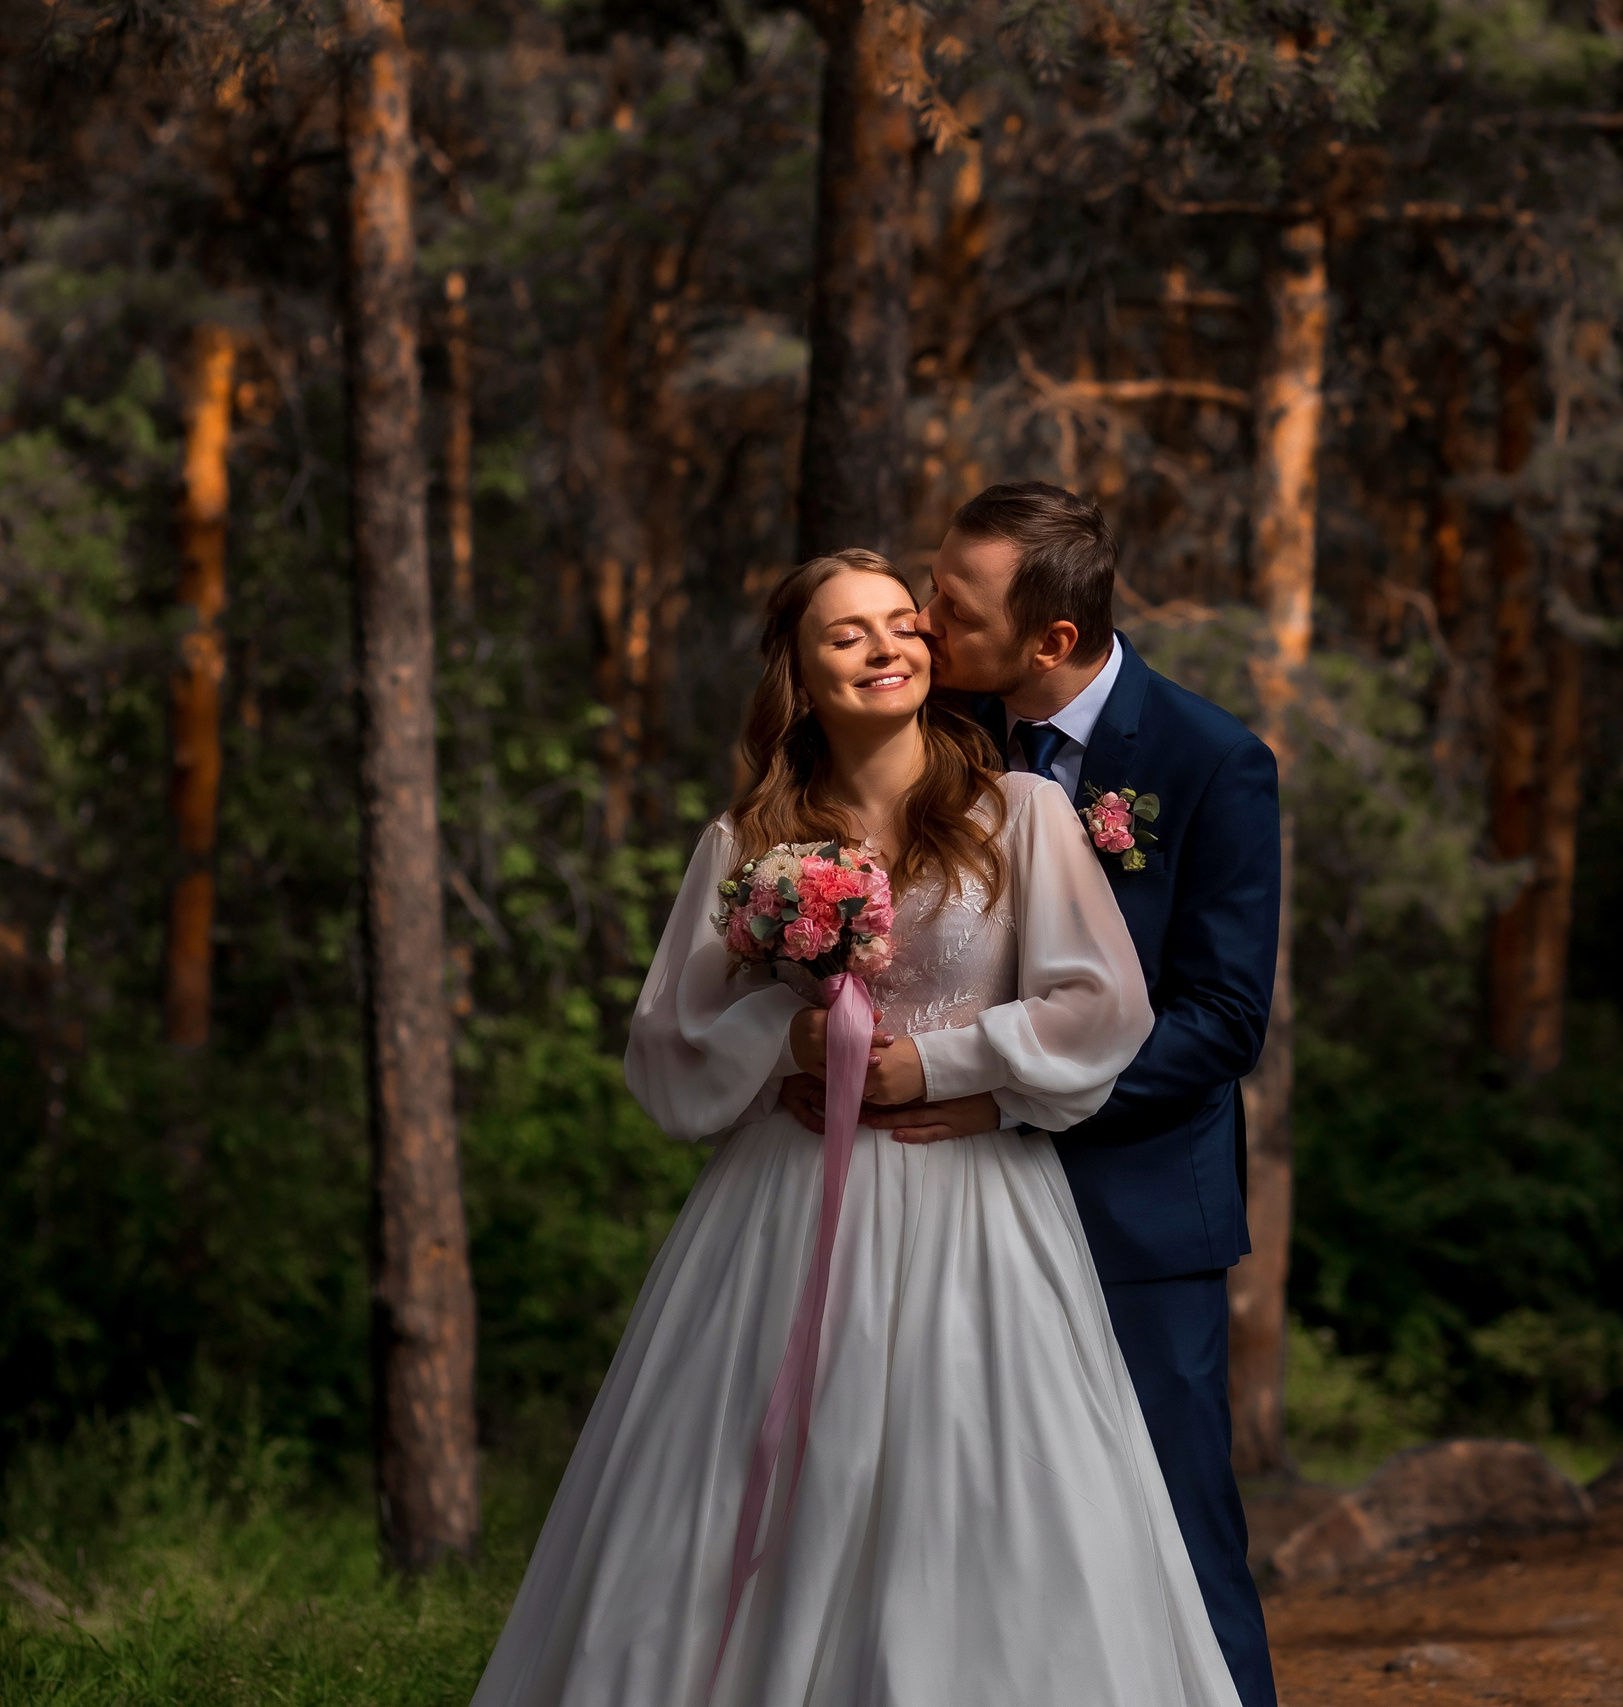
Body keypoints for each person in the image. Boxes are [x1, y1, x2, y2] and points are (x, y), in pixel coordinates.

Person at [470, 549, 1242, 1707]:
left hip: (971, 1196)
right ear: (798, 672)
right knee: (752, 1481)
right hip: (783, 1204)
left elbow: (1103, 1007)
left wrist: (937, 1061)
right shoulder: (747, 843)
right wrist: (782, 1045)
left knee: (980, 1489)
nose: (888, 647)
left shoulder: (1017, 813)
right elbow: (665, 1040)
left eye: (903, 625)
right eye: (848, 634)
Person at [781, 482, 1283, 1707]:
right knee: (966, 1531)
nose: (922, 620)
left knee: (1172, 1531)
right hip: (941, 1215)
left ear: (1050, 640)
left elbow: (1219, 1022)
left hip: (1132, 1213)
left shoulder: (1211, 763)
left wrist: (1012, 1098)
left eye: (953, 604)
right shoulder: (937, 737)